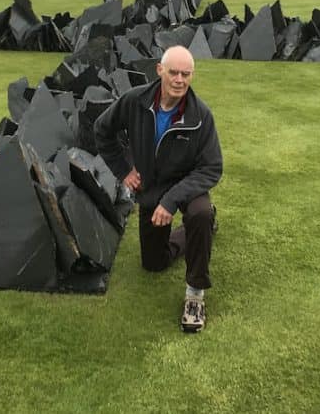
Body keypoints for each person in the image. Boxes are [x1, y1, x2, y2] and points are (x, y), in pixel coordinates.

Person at [94, 45, 223, 332]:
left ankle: (195, 294)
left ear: (192, 75)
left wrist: (172, 200)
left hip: (188, 186)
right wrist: (124, 171)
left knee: (199, 214)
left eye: (186, 74)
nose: (179, 80)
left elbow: (212, 167)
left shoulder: (201, 116)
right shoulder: (134, 101)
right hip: (152, 187)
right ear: (159, 70)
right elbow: (102, 130)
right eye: (174, 72)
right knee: (153, 263)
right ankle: (199, 229)